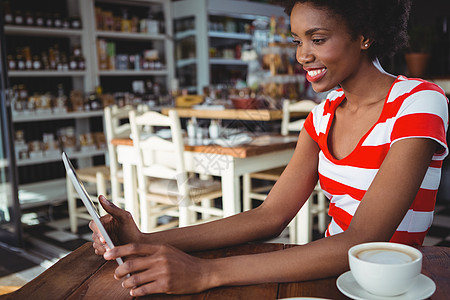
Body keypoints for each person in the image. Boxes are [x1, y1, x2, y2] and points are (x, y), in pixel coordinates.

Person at [90, 0, 448, 296]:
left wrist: (205, 273)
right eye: (297, 41)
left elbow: (361, 240)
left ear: (365, 36)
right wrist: (147, 238)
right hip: (328, 277)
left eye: (318, 39)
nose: (303, 56)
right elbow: (269, 216)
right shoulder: (320, 118)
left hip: (392, 285)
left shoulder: (419, 102)